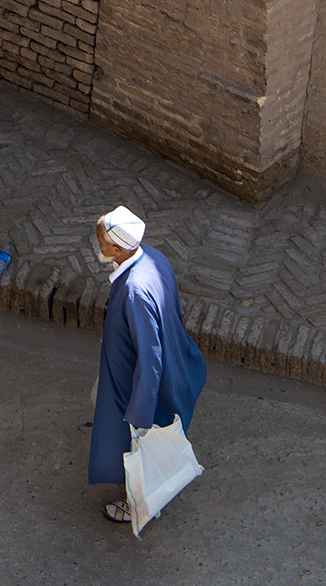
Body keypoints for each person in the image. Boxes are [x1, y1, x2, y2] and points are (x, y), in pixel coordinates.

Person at [88, 204, 208, 523]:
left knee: (140, 448)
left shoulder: (134, 291)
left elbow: (150, 358)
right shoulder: (153, 256)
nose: (98, 245)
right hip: (173, 360)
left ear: (117, 247)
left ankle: (138, 503)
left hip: (139, 383)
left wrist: (140, 412)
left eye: (101, 241)